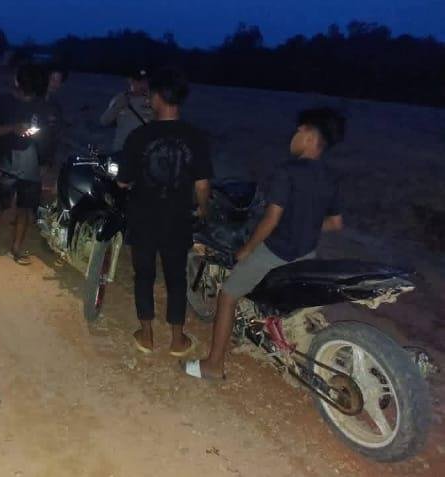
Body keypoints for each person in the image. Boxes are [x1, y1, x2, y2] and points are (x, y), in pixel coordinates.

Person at [183, 108, 346, 381]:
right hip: (307, 254)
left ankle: (214, 365)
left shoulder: (288, 171)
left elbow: (271, 219)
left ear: (309, 136)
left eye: (298, 131)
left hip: (277, 252)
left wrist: (246, 249)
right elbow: (335, 223)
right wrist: (304, 223)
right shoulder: (330, 176)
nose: (293, 137)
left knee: (228, 295)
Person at [116, 68, 213, 356]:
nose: (149, 99)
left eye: (151, 95)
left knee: (143, 274)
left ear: (158, 97)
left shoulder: (139, 136)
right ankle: (177, 339)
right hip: (177, 218)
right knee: (176, 277)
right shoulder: (196, 137)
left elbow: (122, 182)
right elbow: (202, 185)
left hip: (143, 217)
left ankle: (146, 336)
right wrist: (203, 210)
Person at [0, 64, 51, 274]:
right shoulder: (4, 102)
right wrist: (13, 128)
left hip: (32, 167)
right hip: (7, 164)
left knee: (25, 209)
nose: (28, 94)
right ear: (18, 82)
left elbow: (49, 135)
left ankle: (16, 249)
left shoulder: (42, 106)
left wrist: (46, 162)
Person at [100, 68, 154, 152]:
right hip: (123, 149)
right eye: (138, 81)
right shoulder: (120, 99)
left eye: (145, 81)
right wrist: (117, 107)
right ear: (130, 81)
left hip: (146, 151)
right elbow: (104, 121)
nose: (142, 84)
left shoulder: (155, 101)